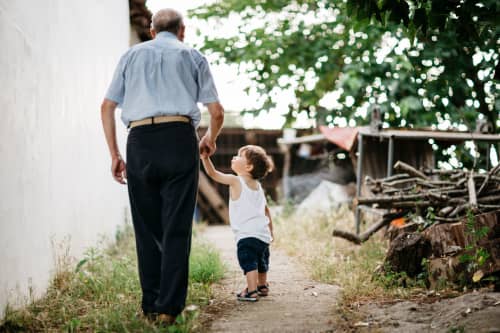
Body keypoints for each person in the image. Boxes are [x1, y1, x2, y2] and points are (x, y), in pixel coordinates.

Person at [100, 8, 224, 324]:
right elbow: (217, 111)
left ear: (153, 31)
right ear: (182, 30)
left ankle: (151, 306)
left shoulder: (130, 56)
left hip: (139, 141)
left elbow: (107, 106)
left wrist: (115, 153)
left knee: (147, 228)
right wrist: (209, 137)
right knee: (177, 227)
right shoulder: (193, 56)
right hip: (180, 138)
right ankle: (169, 308)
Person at [201, 145, 274, 302]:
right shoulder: (259, 187)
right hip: (263, 234)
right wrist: (271, 231)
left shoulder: (235, 180)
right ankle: (262, 285)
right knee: (262, 261)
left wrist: (205, 158)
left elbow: (213, 174)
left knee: (249, 262)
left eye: (239, 156)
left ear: (249, 166)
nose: (234, 157)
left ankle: (251, 291)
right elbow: (266, 211)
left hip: (247, 235)